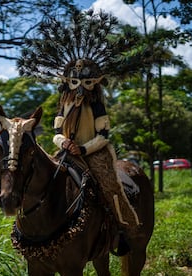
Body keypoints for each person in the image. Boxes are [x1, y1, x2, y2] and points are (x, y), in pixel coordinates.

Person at [52, 59, 140, 236]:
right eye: (75, 81)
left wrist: (83, 149)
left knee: (109, 187)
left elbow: (103, 136)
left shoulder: (96, 104)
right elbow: (56, 132)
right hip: (66, 152)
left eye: (86, 82)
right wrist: (63, 142)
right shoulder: (65, 104)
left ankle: (122, 227)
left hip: (95, 154)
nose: (80, 87)